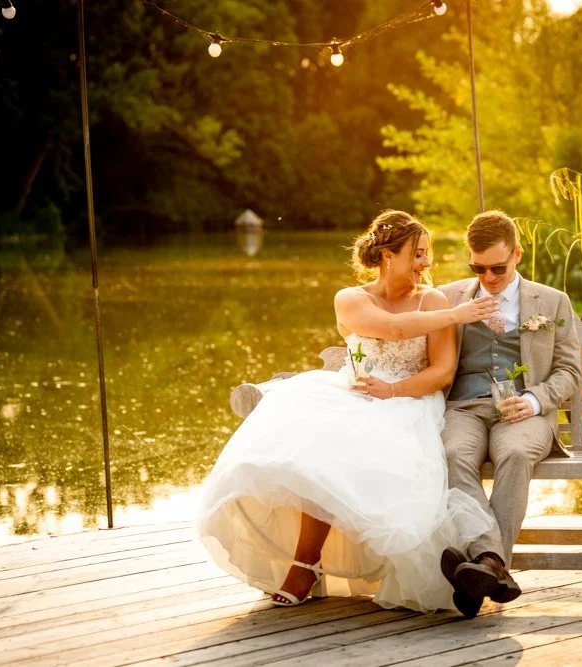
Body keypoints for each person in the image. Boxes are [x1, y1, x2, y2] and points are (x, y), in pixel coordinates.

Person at [195, 210, 500, 613]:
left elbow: (441, 372)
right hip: (353, 391)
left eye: (428, 254)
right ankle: (306, 561)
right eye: (418, 254)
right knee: (312, 440)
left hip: (410, 399)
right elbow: (390, 330)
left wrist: (393, 390)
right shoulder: (351, 298)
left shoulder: (433, 299)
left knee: (359, 441)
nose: (427, 263)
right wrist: (457, 315)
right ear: (389, 256)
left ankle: (315, 565)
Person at [437, 210, 581, 618]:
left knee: (516, 455)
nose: (489, 277)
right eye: (477, 268)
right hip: (463, 407)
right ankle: (491, 567)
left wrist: (535, 400)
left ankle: (481, 569)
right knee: (450, 456)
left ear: (517, 254)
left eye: (498, 268)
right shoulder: (448, 297)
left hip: (524, 412)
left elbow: (570, 371)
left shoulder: (552, 301)